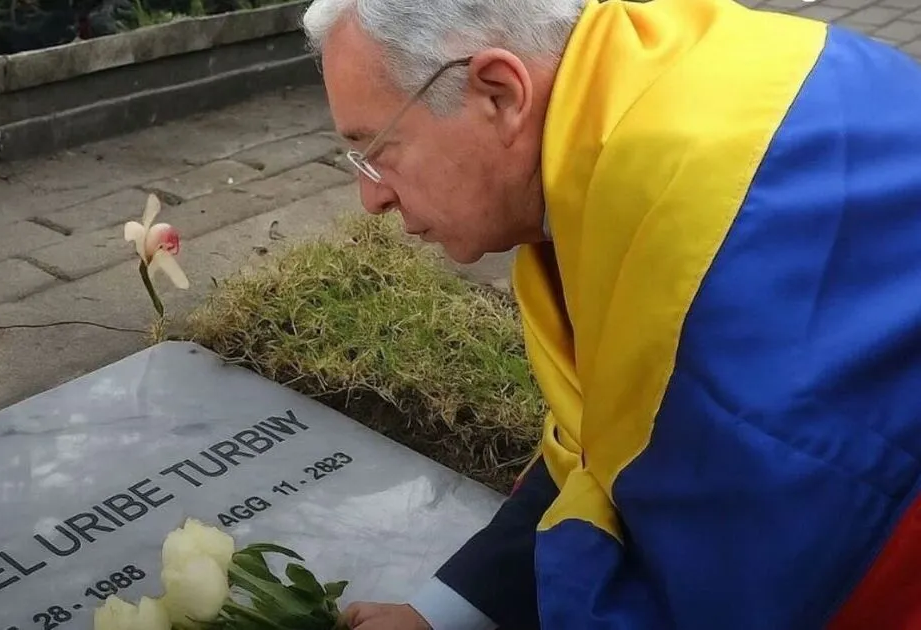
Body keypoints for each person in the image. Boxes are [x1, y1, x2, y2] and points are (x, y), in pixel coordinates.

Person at [300, 0, 921, 627]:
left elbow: (734, 578)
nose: (371, 197)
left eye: (376, 149)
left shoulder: (704, 232)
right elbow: (606, 441)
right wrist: (440, 614)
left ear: (500, 94)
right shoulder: (646, 81)